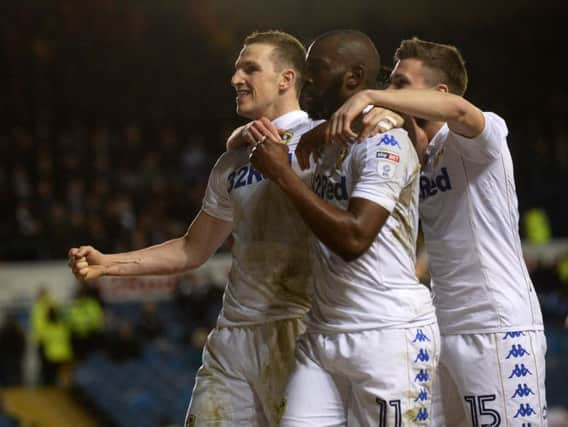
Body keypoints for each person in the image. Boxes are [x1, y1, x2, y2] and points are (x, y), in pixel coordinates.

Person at [68, 30, 320, 426]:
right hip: (233, 338)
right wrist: (108, 263)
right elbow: (193, 248)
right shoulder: (232, 163)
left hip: (302, 332)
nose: (236, 79)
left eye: (250, 69)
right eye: (236, 69)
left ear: (287, 79)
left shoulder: (325, 143)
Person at [327, 37, 547, 427]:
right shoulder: (412, 154)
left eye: (401, 84)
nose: (389, 92)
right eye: (389, 83)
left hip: (495, 325)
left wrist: (374, 97)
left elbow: (460, 110)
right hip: (439, 326)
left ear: (438, 91)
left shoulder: (483, 137)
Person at [249, 30, 439, 426]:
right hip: (323, 334)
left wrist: (285, 177)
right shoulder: (328, 138)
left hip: (388, 335)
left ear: (353, 78)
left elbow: (355, 238)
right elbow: (261, 139)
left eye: (316, 69)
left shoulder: (384, 138)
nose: (306, 80)